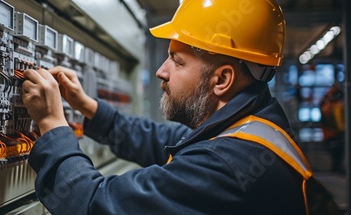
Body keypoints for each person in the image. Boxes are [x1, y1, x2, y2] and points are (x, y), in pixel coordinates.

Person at [21, 0, 340, 214]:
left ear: (222, 79)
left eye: (177, 60)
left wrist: (52, 122)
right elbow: (164, 140)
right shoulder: (252, 127)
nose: (162, 71)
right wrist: (87, 106)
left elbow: (95, 203)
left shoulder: (229, 164)